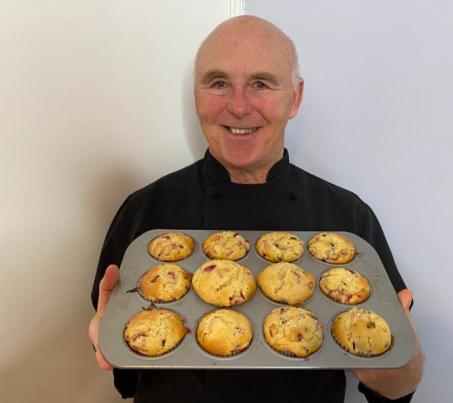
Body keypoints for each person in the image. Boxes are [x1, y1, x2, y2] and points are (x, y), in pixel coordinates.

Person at [89, 15, 423, 403]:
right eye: (218, 83)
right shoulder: (144, 213)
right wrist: (107, 343)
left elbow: (397, 392)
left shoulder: (347, 219)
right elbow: (126, 376)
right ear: (197, 96)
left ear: (294, 97)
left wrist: (398, 364)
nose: (239, 106)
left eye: (261, 84)